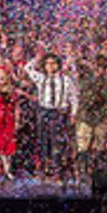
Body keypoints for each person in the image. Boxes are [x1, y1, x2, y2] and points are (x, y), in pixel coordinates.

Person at [26, 51, 78, 180]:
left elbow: (74, 98)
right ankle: (44, 168)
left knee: (57, 142)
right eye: (47, 63)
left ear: (58, 65)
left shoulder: (65, 80)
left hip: (59, 112)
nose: (50, 66)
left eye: (53, 63)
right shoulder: (41, 78)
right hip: (44, 111)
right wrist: (36, 58)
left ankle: (57, 170)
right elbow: (27, 68)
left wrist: (73, 114)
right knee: (43, 141)